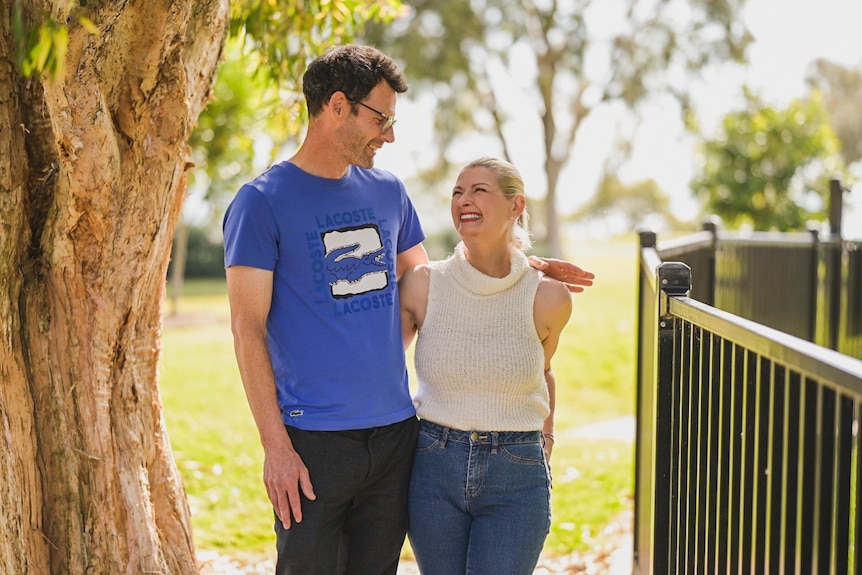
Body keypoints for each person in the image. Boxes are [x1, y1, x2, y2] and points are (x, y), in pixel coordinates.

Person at [222, 44, 593, 575]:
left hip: (399, 436)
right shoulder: (261, 202)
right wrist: (275, 447)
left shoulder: (388, 192)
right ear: (337, 106)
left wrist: (518, 262)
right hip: (314, 442)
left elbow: (438, 283)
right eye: (382, 118)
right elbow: (246, 329)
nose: (389, 135)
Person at [399, 156, 574, 575]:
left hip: (516, 473)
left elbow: (542, 372)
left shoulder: (549, 297)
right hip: (432, 468)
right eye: (458, 192)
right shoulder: (423, 286)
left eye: (479, 190)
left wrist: (545, 444)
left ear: (517, 206)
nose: (464, 200)